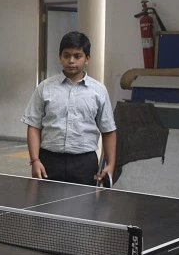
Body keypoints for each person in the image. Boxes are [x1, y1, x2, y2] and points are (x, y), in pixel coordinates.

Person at [21, 31, 117, 186]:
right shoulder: (45, 88)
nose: (71, 61)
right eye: (66, 55)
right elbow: (33, 125)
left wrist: (111, 164)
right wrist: (35, 160)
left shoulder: (99, 91)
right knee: (45, 207)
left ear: (87, 59)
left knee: (84, 208)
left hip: (85, 163)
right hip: (49, 161)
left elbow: (108, 130)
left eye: (77, 56)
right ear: (60, 57)